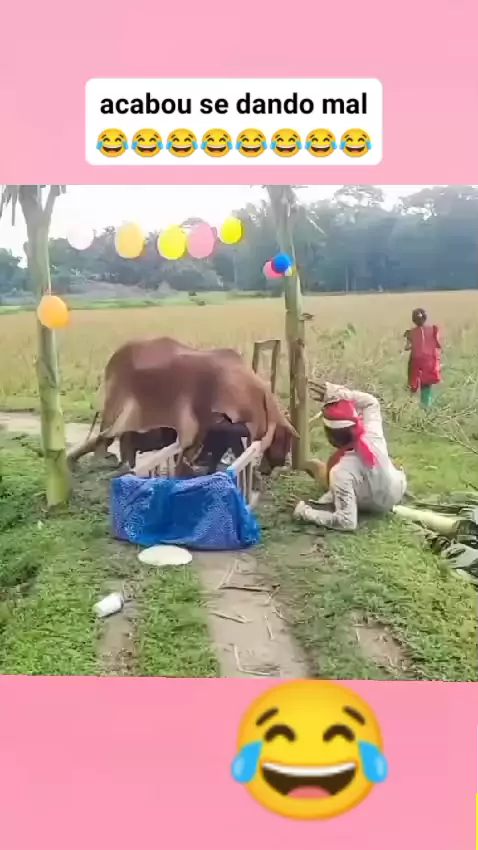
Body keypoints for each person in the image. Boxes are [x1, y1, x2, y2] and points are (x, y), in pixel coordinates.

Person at [288, 381, 407, 532]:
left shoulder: (341, 472)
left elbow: (347, 522)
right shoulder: (372, 434)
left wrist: (304, 511)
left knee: (318, 468)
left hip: (372, 506)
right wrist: (337, 394)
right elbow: (371, 402)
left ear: (331, 437)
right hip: (397, 490)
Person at [404, 308, 441, 408]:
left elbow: (407, 347)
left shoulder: (411, 332)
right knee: (426, 384)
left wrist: (412, 341)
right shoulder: (433, 329)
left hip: (416, 361)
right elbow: (438, 344)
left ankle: (416, 405)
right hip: (430, 361)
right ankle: (425, 406)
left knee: (414, 383)